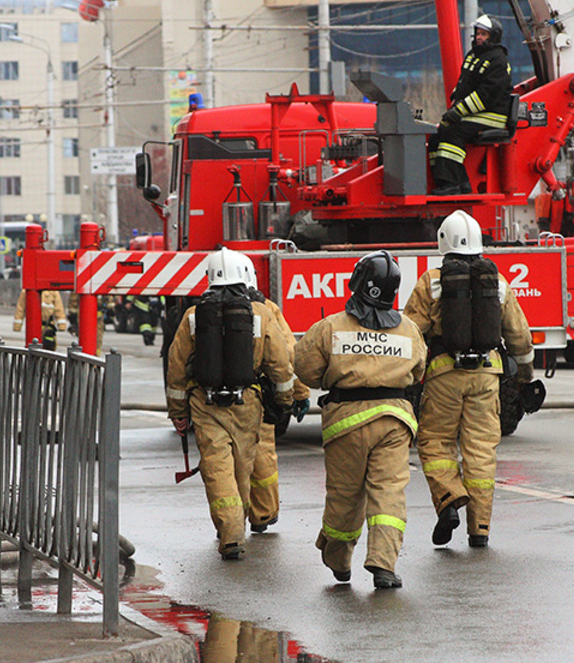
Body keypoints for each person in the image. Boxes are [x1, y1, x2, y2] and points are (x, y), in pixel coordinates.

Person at [295, 250, 426, 589]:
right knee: (389, 493)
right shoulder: (409, 330)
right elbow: (419, 370)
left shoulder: (330, 327)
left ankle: (339, 561)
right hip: (395, 421)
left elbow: (305, 369)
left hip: (345, 424)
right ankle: (383, 564)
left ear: (357, 283)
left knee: (344, 495)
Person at [403, 210, 533, 549]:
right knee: (480, 452)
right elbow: (519, 336)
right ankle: (480, 529)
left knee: (435, 443)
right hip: (487, 377)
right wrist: (525, 380)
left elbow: (413, 334)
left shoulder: (429, 281)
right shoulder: (499, 282)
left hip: (445, 374)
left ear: (442, 240)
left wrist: (409, 379)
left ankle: (448, 498)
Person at [165, 248, 294, 560]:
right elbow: (281, 362)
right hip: (247, 402)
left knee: (217, 468)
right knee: (243, 467)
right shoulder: (262, 314)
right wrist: (285, 400)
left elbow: (177, 368)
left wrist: (178, 414)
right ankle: (242, 522)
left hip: (205, 404)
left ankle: (231, 535)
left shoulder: (193, 317)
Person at [243, 264, 310, 535]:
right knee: (262, 454)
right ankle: (263, 514)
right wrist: (299, 393)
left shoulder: (199, 311)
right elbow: (286, 353)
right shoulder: (266, 308)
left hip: (211, 402)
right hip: (259, 396)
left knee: (222, 462)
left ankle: (229, 524)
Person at [431, 15, 512, 196]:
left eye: (484, 34)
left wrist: (458, 112)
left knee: (454, 132)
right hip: (475, 113)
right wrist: (453, 106)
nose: (479, 37)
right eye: (478, 33)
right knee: (437, 135)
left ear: (493, 36)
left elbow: (485, 96)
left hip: (492, 115)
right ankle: (460, 184)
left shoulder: (498, 61)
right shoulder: (474, 56)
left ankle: (451, 185)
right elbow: (463, 85)